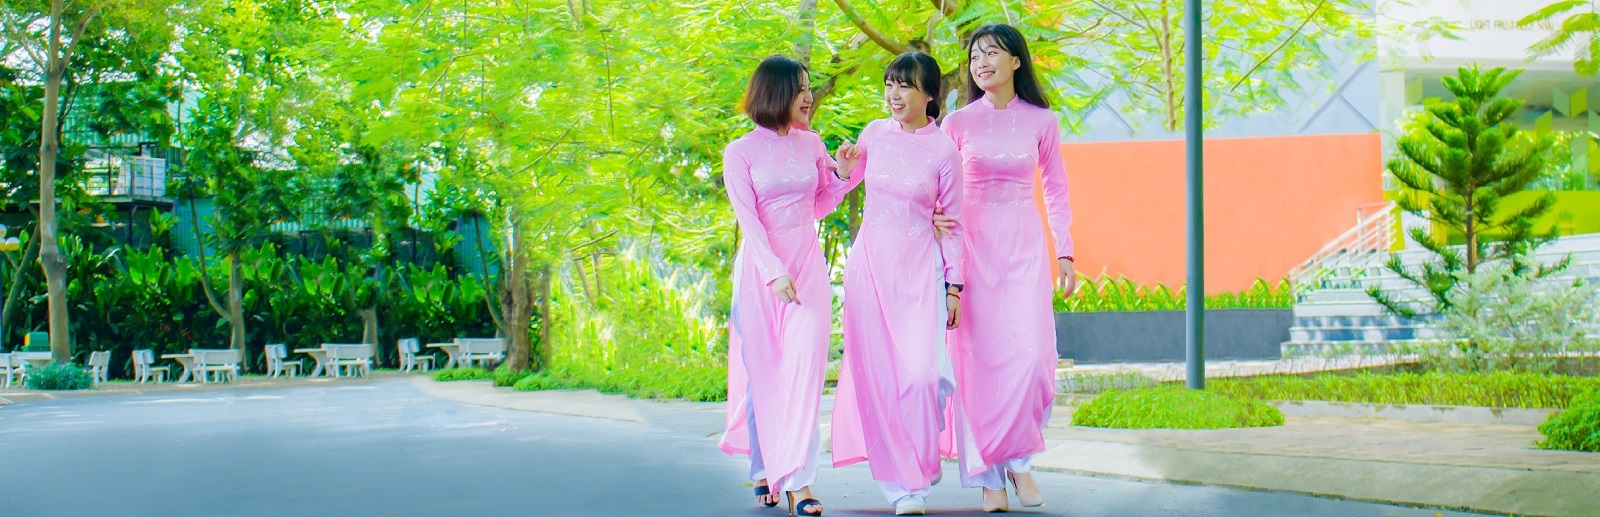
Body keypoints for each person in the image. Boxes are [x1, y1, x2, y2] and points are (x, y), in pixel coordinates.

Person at [938, 23, 1079, 512]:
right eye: (975, 55)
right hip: (971, 248)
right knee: (977, 364)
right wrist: (933, 222)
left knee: (1032, 359)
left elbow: (1056, 190)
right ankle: (990, 477)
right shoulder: (957, 124)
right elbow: (939, 184)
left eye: (992, 53)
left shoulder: (1042, 121)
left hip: (1023, 247)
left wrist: (1065, 251)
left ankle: (1019, 459)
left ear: (1016, 60)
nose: (981, 63)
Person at [828, 51, 965, 517]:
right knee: (880, 381)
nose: (894, 94)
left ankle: (921, 459)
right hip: (869, 269)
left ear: (929, 95)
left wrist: (954, 286)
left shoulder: (944, 151)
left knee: (921, 378)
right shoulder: (874, 134)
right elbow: (845, 185)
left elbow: (954, 224)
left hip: (920, 272)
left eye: (905, 85)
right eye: (890, 84)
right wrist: (844, 169)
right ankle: (904, 488)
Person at [717, 54, 849, 517]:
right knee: (765, 374)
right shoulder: (740, 152)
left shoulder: (811, 143)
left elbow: (819, 204)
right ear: (775, 94)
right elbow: (748, 220)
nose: (809, 97)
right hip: (760, 272)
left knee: (804, 371)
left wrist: (843, 174)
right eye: (800, 89)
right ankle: (764, 467)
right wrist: (773, 271)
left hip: (807, 266)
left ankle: (798, 481)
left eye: (809, 88)